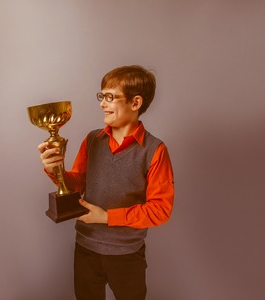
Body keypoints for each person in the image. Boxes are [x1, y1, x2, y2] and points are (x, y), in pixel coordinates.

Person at [37, 65, 174, 300]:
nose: (102, 103)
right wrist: (54, 170)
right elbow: (78, 183)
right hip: (85, 249)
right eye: (102, 96)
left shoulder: (154, 150)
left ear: (135, 103)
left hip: (126, 255)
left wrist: (107, 217)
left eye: (110, 97)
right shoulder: (93, 140)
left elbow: (160, 210)